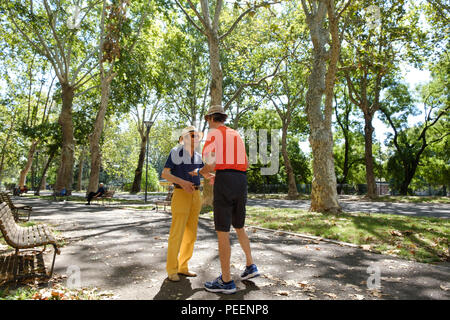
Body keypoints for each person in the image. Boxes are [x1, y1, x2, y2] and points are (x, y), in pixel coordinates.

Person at [193, 105, 259, 294]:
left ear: (212, 118)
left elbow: (211, 164)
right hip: (241, 180)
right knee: (239, 226)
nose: (207, 123)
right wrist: (222, 172)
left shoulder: (214, 134)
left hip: (226, 181)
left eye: (207, 120)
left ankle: (226, 280)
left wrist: (201, 172)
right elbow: (243, 162)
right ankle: (250, 266)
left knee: (222, 231)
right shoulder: (235, 134)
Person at [161, 125, 204, 282]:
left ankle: (183, 267)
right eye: (193, 135)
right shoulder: (176, 152)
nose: (196, 138)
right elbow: (165, 174)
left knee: (191, 235)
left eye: (197, 136)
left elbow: (204, 173)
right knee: (177, 234)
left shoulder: (198, 157)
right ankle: (172, 269)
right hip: (180, 194)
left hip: (196, 195)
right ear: (184, 138)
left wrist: (214, 176)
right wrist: (183, 182)